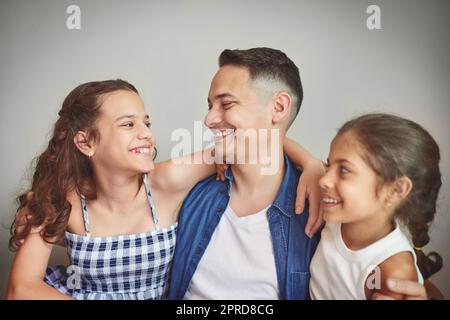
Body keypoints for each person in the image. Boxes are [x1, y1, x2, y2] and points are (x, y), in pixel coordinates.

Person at [7, 79, 323, 300]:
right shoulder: (62, 200)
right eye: (128, 125)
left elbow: (254, 141)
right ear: (86, 142)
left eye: (147, 123)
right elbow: (22, 289)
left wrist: (309, 162)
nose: (147, 135)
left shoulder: (166, 182)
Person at [168, 47, 323, 300]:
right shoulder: (190, 193)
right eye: (210, 105)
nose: (208, 119)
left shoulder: (318, 208)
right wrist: (310, 161)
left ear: (279, 107)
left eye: (226, 103)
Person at [309, 113, 443, 299]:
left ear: (395, 190)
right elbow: (275, 139)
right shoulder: (341, 213)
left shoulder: (392, 272)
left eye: (344, 170)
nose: (323, 179)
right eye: (328, 165)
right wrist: (308, 162)